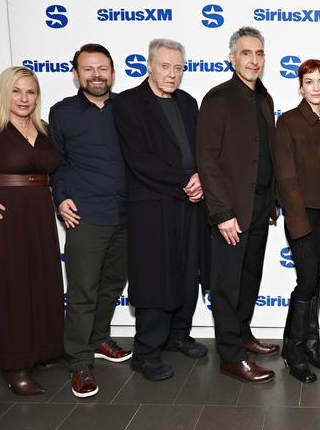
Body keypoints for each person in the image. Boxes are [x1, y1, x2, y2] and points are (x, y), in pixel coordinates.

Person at [112, 39, 208, 382]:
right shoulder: (127, 103)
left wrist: (200, 178)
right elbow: (138, 159)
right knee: (155, 275)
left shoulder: (187, 102)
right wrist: (185, 180)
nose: (172, 74)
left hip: (188, 202)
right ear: (149, 66)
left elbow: (198, 149)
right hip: (152, 203)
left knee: (186, 270)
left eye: (178, 67)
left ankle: (178, 334)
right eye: (165, 66)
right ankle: (146, 351)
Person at [49, 43, 131, 398]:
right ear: (76, 73)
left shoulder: (128, 109)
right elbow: (59, 163)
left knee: (112, 284)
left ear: (113, 73)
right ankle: (79, 360)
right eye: (88, 69)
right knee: (83, 290)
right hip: (85, 216)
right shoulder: (62, 112)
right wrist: (60, 198)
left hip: (127, 214)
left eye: (103, 69)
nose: (96, 75)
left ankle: (98, 339)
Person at [197, 26, 278, 384]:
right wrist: (221, 213)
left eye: (259, 53)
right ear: (232, 58)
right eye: (247, 53)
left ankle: (242, 334)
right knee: (228, 283)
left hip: (260, 206)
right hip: (231, 209)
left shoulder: (265, 98)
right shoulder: (217, 99)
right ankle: (231, 355)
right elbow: (207, 160)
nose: (254, 60)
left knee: (249, 278)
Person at [0, 66, 64, 395]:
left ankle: (39, 351)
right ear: (4, 93)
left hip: (40, 213)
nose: (24, 98)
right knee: (11, 287)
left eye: (31, 91)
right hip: (3, 217)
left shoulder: (43, 129)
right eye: (17, 91)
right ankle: (15, 365)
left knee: (39, 281)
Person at [274, 59, 320, 383]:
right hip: (302, 215)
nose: (316, 87)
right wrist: (297, 222)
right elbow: (285, 177)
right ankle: (293, 351)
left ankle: (312, 346)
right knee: (306, 280)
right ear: (300, 86)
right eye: (309, 81)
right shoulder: (287, 122)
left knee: (315, 280)